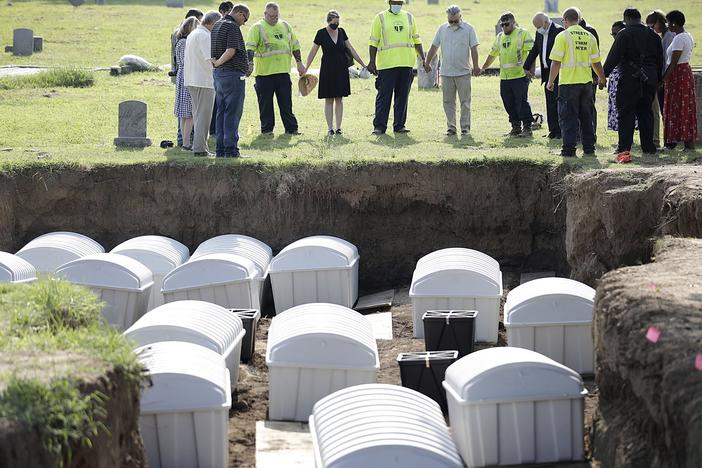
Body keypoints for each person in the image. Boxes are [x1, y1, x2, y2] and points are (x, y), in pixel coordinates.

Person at [604, 7, 664, 162]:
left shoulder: (624, 34)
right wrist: (658, 79)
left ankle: (624, 148)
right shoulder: (654, 35)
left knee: (626, 113)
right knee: (646, 113)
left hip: (630, 79)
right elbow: (660, 60)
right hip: (649, 79)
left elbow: (613, 57)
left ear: (627, 19)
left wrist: (602, 76)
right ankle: (648, 147)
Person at [546, 7, 606, 157]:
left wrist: (550, 81)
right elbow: (596, 62)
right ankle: (589, 149)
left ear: (565, 20)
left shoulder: (563, 36)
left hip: (568, 84)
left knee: (568, 118)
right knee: (587, 117)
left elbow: (556, 62)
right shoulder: (589, 36)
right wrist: (602, 78)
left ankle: (568, 150)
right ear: (578, 20)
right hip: (586, 84)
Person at [303, 10, 366, 135]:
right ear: (328, 21)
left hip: (341, 70)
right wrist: (306, 67)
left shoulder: (342, 32)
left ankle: (338, 128)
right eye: (333, 23)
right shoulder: (321, 33)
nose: (335, 25)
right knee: (329, 100)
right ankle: (330, 128)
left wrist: (363, 64)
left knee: (339, 99)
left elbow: (351, 49)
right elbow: (313, 52)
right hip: (328, 70)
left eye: (337, 22)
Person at [246, 2, 305, 136]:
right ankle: (267, 130)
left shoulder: (285, 26)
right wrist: (249, 64)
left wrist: (299, 63)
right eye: (271, 16)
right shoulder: (257, 28)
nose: (274, 19)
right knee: (265, 104)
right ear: (265, 14)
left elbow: (295, 45)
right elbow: (250, 48)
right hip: (264, 74)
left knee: (286, 103)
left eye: (276, 16)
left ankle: (292, 129)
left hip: (283, 72)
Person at [368, 0, 425, 135]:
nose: (397, 4)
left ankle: (399, 125)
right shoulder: (380, 18)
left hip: (406, 63)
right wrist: (371, 62)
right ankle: (380, 127)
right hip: (386, 65)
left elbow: (417, 40)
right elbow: (373, 41)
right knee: (384, 96)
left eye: (400, 2)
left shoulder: (409, 17)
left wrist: (423, 59)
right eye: (395, 2)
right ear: (389, 2)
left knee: (402, 96)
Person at [424, 4, 480, 136]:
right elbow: (434, 47)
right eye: (451, 21)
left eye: (456, 21)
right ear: (447, 18)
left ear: (461, 16)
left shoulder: (469, 29)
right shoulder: (442, 29)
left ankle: (465, 128)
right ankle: (451, 127)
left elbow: (474, 49)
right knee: (448, 102)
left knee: (465, 102)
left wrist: (476, 66)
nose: (453, 23)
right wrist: (427, 63)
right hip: (446, 72)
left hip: (463, 72)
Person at [479, 12, 535, 137]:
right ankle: (515, 127)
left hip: (520, 76)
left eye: (507, 24)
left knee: (521, 103)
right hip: (505, 77)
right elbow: (492, 54)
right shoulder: (499, 37)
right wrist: (483, 68)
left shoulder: (523, 33)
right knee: (508, 102)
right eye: (502, 25)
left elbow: (532, 53)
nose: (504, 27)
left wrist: (530, 70)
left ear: (513, 23)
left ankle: (527, 128)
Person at [211, 3, 251, 158]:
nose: (244, 23)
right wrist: (219, 62)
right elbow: (231, 50)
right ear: (240, 13)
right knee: (232, 113)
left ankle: (220, 150)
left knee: (221, 112)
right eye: (245, 19)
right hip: (232, 75)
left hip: (219, 76)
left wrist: (216, 65)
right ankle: (231, 150)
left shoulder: (217, 24)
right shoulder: (232, 26)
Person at [184, 10, 220, 157]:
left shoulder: (193, 34)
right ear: (211, 23)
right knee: (203, 116)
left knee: (198, 115)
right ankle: (200, 148)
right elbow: (211, 60)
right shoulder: (205, 36)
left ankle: (199, 147)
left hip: (192, 79)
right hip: (204, 81)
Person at [524, 11, 564, 139]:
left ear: (546, 22)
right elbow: (535, 49)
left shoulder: (559, 31)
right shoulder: (539, 33)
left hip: (558, 72)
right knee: (550, 102)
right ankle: (553, 131)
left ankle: (562, 131)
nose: (538, 30)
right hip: (546, 73)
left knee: (559, 103)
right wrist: (526, 66)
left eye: (539, 26)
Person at [662, 10, 697, 150]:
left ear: (674, 23)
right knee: (686, 107)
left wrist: (663, 79)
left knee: (676, 106)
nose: (667, 25)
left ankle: (672, 142)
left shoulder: (678, 39)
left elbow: (674, 62)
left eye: (668, 22)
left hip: (678, 74)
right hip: (684, 72)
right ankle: (688, 143)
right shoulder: (687, 35)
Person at [171, 9, 203, 147]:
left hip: (182, 77)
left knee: (185, 114)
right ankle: (186, 142)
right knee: (190, 113)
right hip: (188, 77)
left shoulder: (180, 41)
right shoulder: (186, 43)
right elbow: (189, 61)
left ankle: (185, 141)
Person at [646, 10, 676, 147]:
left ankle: (670, 141)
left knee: (666, 109)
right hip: (663, 76)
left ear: (659, 22)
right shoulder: (662, 36)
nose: (652, 29)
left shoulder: (669, 36)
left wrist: (662, 79)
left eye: (653, 26)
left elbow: (666, 60)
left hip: (667, 77)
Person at [209, 1, 235, 138]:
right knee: (217, 104)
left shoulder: (228, 26)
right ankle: (214, 130)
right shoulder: (219, 26)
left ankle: (219, 130)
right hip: (219, 70)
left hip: (222, 70)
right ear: (223, 12)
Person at [579, 17, 599, 136]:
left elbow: (595, 56)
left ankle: (591, 134)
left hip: (589, 77)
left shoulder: (590, 32)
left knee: (589, 106)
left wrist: (595, 76)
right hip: (576, 76)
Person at [607, 21, 628, 132]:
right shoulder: (617, 43)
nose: (614, 37)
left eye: (616, 34)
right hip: (614, 83)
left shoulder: (625, 43)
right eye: (613, 34)